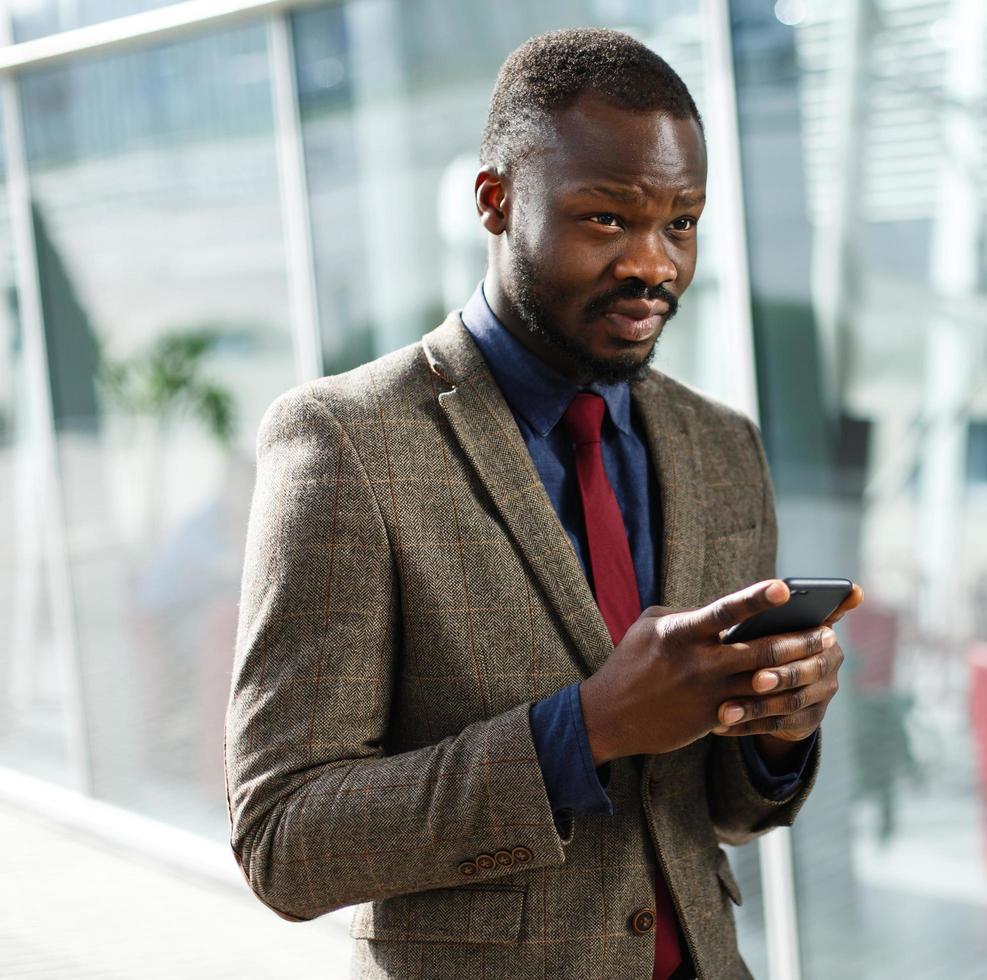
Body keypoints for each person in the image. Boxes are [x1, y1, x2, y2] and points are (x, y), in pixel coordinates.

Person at [224, 28, 861, 980]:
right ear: (497, 201)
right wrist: (588, 727)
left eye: (680, 223)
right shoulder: (344, 442)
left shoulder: (722, 446)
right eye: (608, 219)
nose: (655, 264)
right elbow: (285, 839)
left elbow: (719, 812)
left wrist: (780, 727)